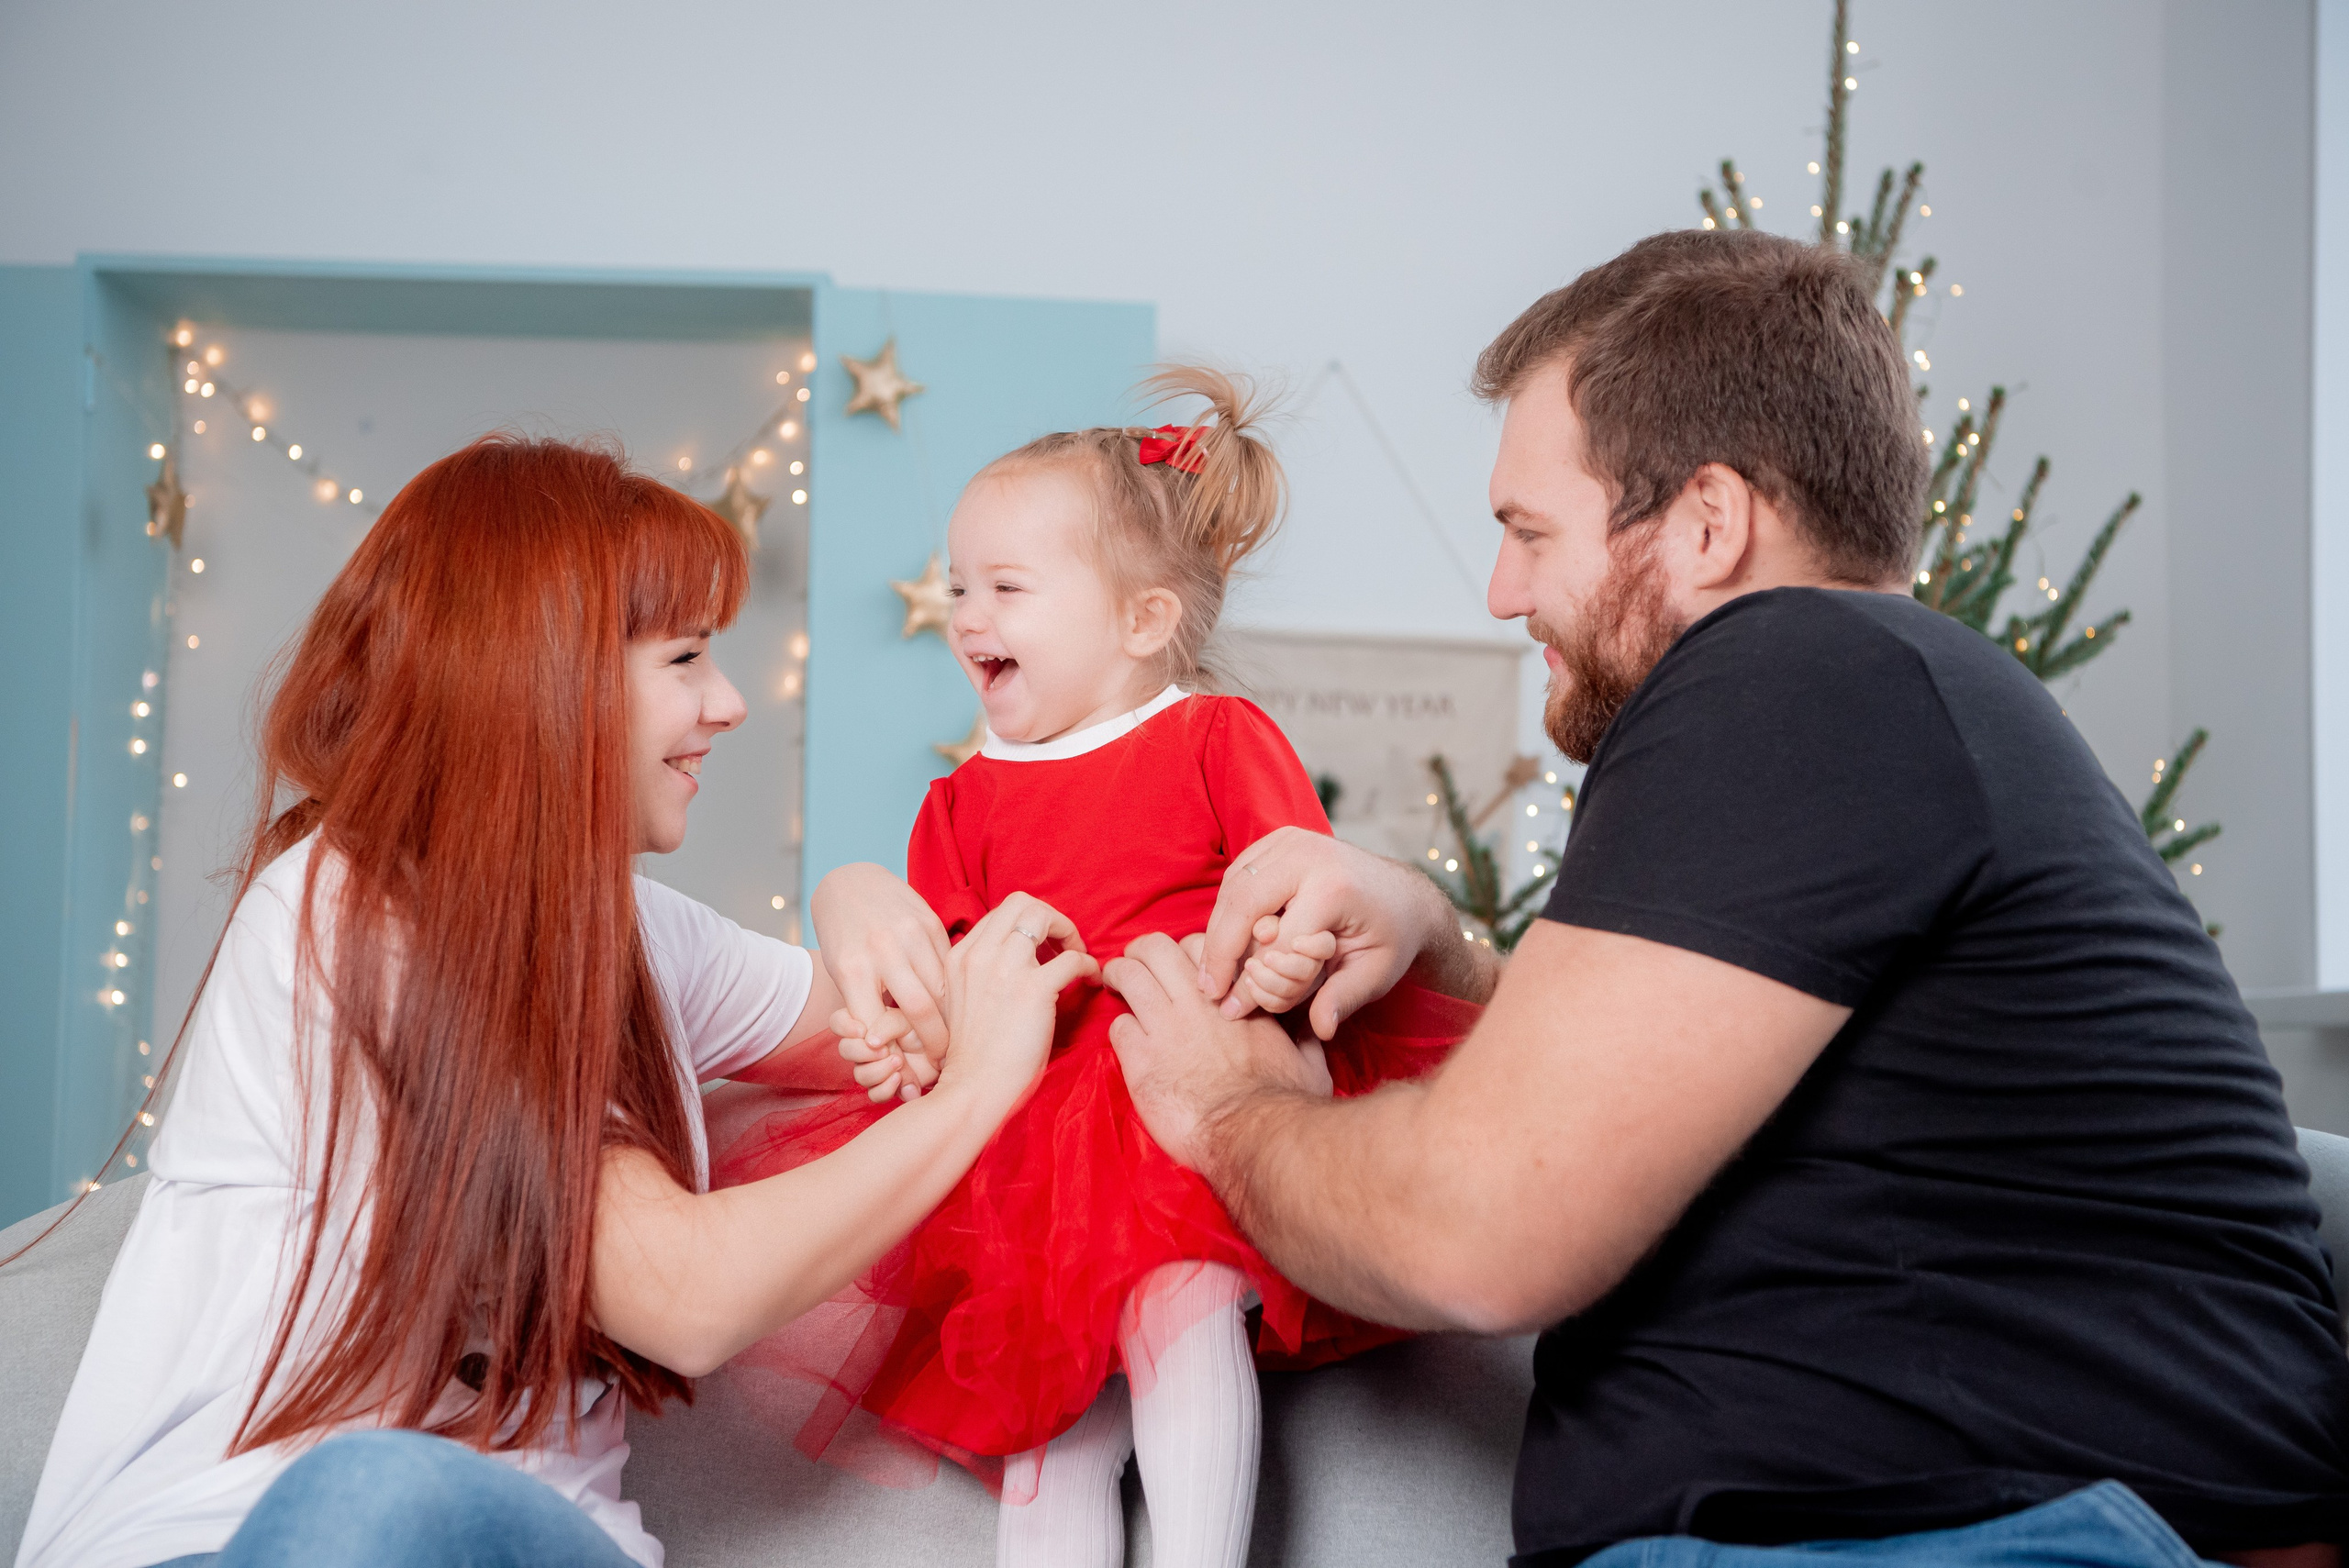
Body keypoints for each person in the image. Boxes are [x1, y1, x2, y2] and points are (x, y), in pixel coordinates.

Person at [1097, 230, 2349, 1568]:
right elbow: (1668, 1075)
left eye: (1529, 532)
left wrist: (1228, 1109)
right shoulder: (1886, 694)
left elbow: (1476, 1231)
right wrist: (1437, 938)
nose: (1505, 591)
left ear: (1708, 522)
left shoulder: (1797, 668)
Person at [14, 437, 1097, 1568]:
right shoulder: (356, 913)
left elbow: (906, 1027)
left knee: (379, 1493)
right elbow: (682, 1293)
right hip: (225, 1536)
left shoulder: (632, 926)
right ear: (545, 677)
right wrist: (972, 1095)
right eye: (685, 657)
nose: (728, 702)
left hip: (527, 1541)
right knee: (371, 1492)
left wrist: (857, 894)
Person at [710, 367, 1475, 1568]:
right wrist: (916, 1029)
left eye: (1007, 587)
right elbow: (958, 984)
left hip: (1184, 1083)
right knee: (1052, 1424)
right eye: (959, 585)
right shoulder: (958, 801)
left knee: (1179, 1314)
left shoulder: (1213, 735)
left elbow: (1295, 888)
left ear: (1143, 619)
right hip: (1034, 1137)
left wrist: (1283, 959)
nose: (969, 613)